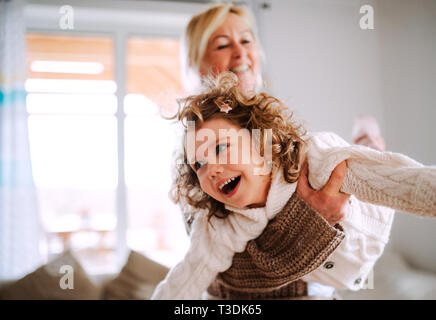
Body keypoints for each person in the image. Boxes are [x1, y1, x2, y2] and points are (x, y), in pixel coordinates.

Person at [156, 4, 388, 299]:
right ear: (198, 65)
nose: (240, 53)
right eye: (223, 45)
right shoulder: (195, 156)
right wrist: (313, 222)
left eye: (247, 40)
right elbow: (230, 273)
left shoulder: (281, 132)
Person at [151, 72, 436, 300]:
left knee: (367, 160)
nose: (211, 169)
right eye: (198, 165)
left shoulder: (308, 160)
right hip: (333, 276)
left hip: (364, 226)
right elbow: (188, 275)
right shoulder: (220, 222)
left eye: (221, 147)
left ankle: (366, 136)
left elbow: (401, 183)